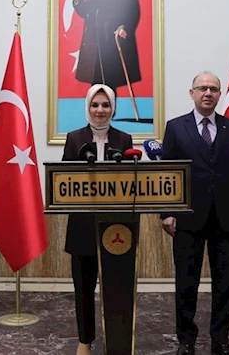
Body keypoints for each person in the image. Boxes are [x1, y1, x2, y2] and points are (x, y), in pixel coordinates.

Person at [160, 71, 229, 355]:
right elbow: (167, 173)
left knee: (224, 284)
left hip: (226, 218)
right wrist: (166, 212)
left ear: (219, 94)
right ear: (192, 93)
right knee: (186, 283)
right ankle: (186, 341)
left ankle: (220, 340)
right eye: (202, 88)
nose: (208, 93)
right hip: (187, 217)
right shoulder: (176, 127)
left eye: (213, 89)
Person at [62, 83, 134, 355]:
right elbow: (64, 182)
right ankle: (85, 340)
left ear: (113, 108)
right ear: (87, 107)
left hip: (116, 228)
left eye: (105, 105)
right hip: (82, 227)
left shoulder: (124, 140)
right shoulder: (74, 139)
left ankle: (115, 340)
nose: (100, 110)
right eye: (95, 105)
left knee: (115, 289)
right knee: (83, 288)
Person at [71, 0, 141, 92]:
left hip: (113, 39)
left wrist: (125, 28)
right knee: (96, 79)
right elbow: (86, 13)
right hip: (94, 42)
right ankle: (96, 104)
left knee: (112, 78)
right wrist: (77, 3)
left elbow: (133, 10)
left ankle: (111, 104)